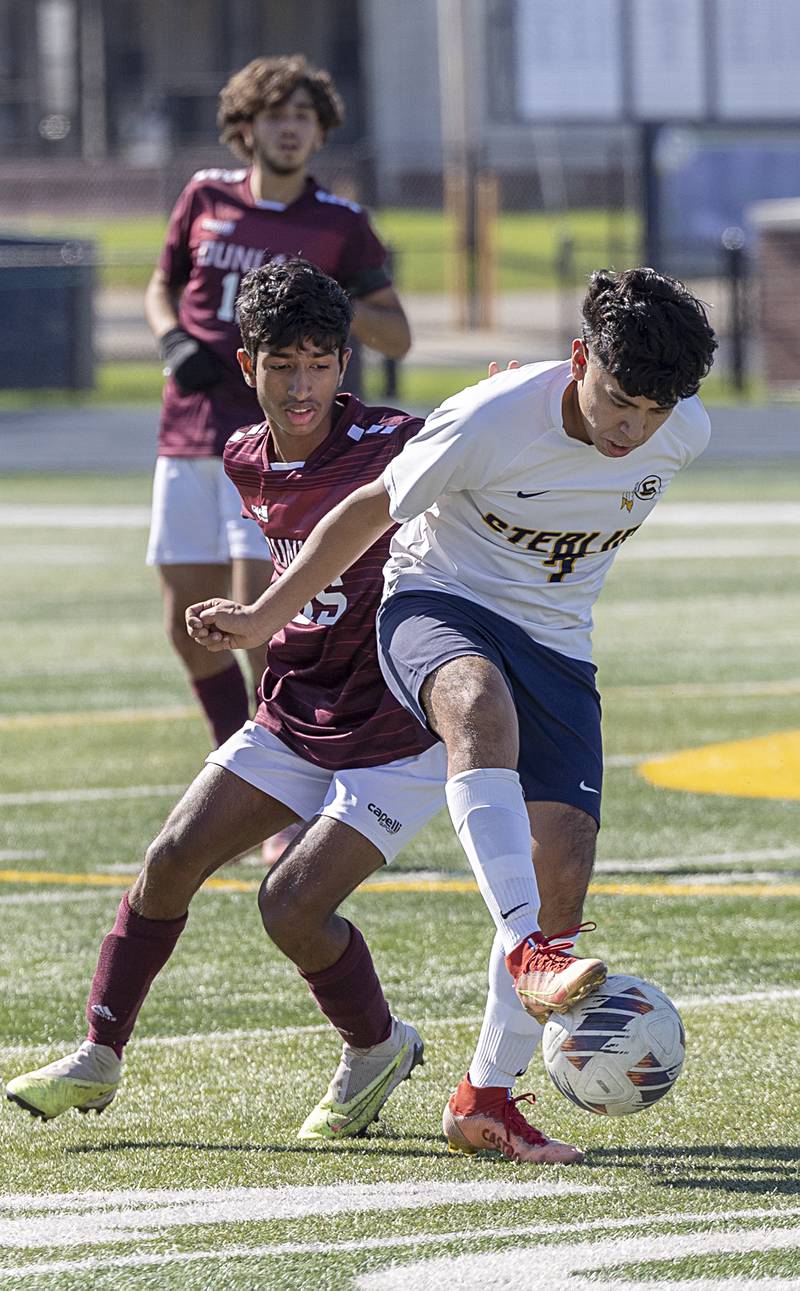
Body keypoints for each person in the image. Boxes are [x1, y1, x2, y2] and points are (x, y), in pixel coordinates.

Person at [5, 260, 584, 1166]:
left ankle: (375, 1046)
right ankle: (98, 1054)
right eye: (284, 365)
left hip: (396, 735)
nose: (303, 384)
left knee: (288, 908)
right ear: (249, 368)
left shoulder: (393, 440)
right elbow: (286, 564)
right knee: (168, 861)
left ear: (344, 364)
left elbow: (467, 444)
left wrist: (509, 398)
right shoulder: (241, 456)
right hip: (292, 709)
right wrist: (247, 617)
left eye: (320, 362)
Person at [186, 266, 718, 1160]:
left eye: (654, 412)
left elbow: (620, 469)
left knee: (565, 867)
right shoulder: (492, 418)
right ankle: (527, 952)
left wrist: (653, 420)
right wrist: (263, 614)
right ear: (579, 357)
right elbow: (364, 510)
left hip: (556, 642)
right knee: (476, 703)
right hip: (437, 602)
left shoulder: (682, 432)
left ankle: (485, 1098)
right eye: (619, 400)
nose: (632, 429)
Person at [144, 54, 410, 756]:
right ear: (244, 126)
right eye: (275, 114)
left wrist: (321, 297)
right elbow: (160, 286)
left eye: (304, 116)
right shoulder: (204, 196)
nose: (290, 129)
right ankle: (236, 753)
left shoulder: (341, 223)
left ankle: (277, 783)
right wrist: (172, 340)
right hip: (190, 430)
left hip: (276, 449)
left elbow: (398, 334)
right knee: (185, 625)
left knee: (263, 624)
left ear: (322, 132)